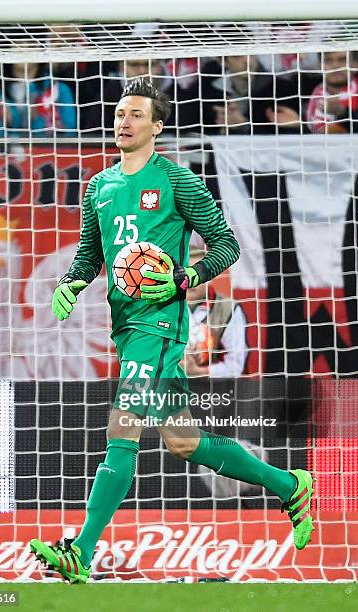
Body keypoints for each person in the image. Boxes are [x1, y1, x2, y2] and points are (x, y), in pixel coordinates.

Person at [30, 77, 314, 584]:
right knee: (183, 441)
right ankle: (288, 483)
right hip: (126, 324)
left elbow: (227, 246)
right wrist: (72, 282)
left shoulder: (179, 182)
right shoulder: (100, 185)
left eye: (136, 114)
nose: (124, 121)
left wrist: (184, 278)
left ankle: (81, 550)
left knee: (123, 428)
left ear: (157, 127)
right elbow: (91, 253)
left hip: (160, 324)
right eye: (120, 112)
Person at [184, 246, 248, 377]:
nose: (191, 281)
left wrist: (199, 372)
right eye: (185, 273)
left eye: (197, 274)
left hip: (211, 391)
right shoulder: (161, 306)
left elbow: (236, 365)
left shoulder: (228, 309)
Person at [306, 50, 358, 134]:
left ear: (355, 64)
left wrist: (344, 114)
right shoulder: (303, 93)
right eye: (328, 60)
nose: (335, 66)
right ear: (320, 66)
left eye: (343, 60)